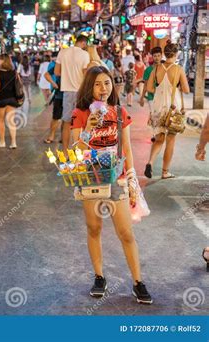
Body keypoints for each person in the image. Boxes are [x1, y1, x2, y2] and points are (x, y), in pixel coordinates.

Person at [71, 66, 153, 305]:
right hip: (90, 178)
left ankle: (138, 282)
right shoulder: (80, 113)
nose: (103, 88)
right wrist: (88, 128)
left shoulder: (119, 112)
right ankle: (99, 277)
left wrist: (131, 177)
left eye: (107, 83)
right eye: (97, 84)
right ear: (90, 87)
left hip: (116, 178)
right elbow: (76, 151)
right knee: (94, 228)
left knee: (126, 232)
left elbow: (126, 148)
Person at [144, 42, 190, 179]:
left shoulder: (157, 68)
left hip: (158, 107)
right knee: (170, 140)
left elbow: (150, 89)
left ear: (165, 54)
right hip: (173, 107)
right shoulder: (178, 69)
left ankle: (150, 162)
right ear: (176, 55)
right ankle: (165, 172)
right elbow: (187, 90)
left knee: (159, 139)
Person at [55, 34, 90, 152]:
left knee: (66, 122)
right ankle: (79, 151)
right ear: (84, 43)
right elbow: (86, 75)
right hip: (81, 92)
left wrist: (67, 74)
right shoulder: (85, 55)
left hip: (67, 92)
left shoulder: (63, 52)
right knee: (82, 123)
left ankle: (65, 151)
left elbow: (57, 72)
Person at [0, 54, 20, 149]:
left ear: (4, 61)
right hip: (12, 99)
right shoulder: (14, 72)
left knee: (1, 121)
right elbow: (18, 84)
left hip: (1, 100)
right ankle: (13, 143)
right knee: (11, 121)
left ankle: (2, 141)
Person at [44, 51, 63, 144]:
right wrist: (53, 83)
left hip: (70, 95)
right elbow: (46, 74)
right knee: (56, 116)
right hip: (59, 95)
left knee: (66, 118)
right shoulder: (56, 65)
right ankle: (51, 136)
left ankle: (64, 137)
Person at [139, 47, 163, 114]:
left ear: (161, 56)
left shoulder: (165, 69)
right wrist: (142, 98)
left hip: (162, 97)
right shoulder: (148, 70)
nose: (157, 58)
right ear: (152, 56)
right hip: (151, 97)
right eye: (155, 56)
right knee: (153, 115)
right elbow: (145, 85)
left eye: (158, 56)